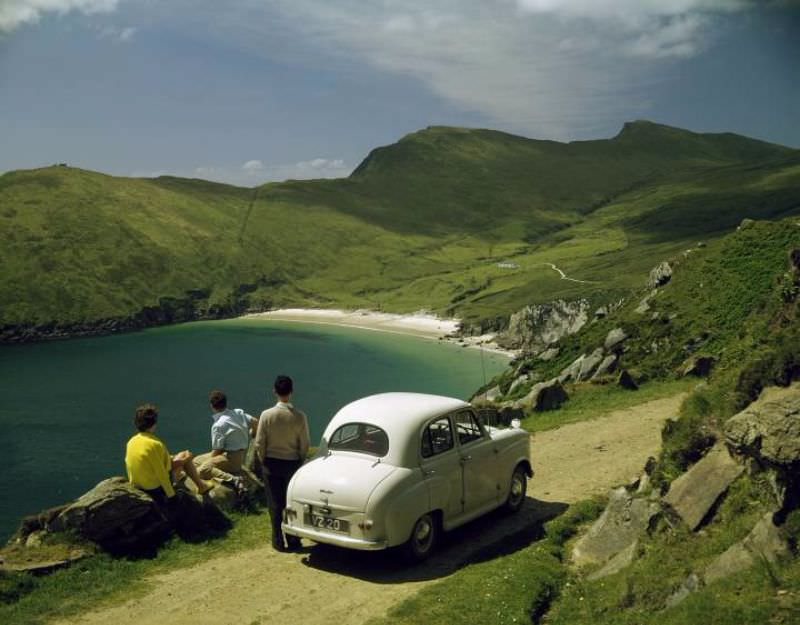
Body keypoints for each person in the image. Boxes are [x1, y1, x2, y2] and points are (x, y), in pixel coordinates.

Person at [255, 375, 310, 552]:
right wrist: (300, 460)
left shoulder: (266, 415)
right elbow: (305, 443)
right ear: (291, 392)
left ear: (275, 392)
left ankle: (277, 540)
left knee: (274, 504)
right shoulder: (299, 417)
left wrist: (263, 459)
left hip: (271, 464)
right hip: (291, 464)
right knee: (290, 503)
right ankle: (293, 539)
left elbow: (259, 442)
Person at [125, 403, 215, 506]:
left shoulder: (131, 442)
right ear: (154, 423)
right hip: (155, 489)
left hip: (139, 486)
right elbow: (162, 472)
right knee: (185, 455)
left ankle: (181, 474)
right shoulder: (155, 444)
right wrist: (171, 495)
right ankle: (202, 486)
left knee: (178, 457)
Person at [193, 389, 257, 493]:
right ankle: (222, 475)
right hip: (238, 455)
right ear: (225, 402)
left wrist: (209, 461)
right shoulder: (238, 413)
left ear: (212, 406)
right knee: (195, 461)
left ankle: (233, 479)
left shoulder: (218, 425)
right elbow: (255, 422)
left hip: (231, 459)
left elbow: (218, 450)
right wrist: (252, 432)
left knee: (201, 470)